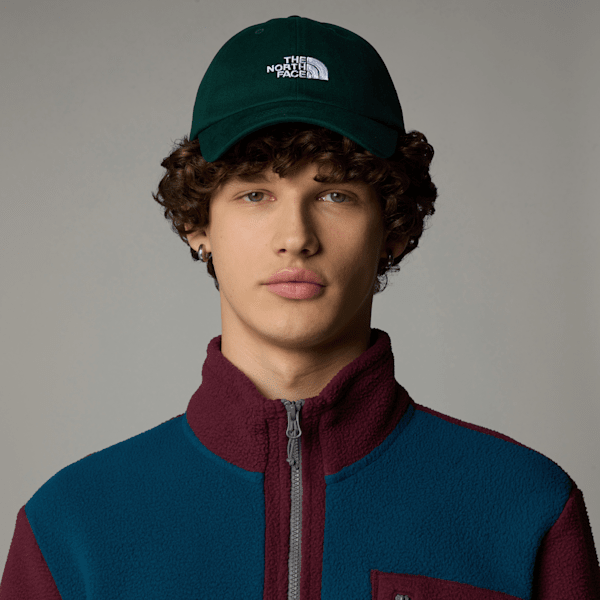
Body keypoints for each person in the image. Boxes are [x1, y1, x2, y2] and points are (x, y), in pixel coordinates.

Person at [1, 15, 599, 600]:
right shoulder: (70, 528)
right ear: (197, 224)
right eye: (255, 194)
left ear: (392, 229)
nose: (295, 236)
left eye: (335, 193)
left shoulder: (529, 509)